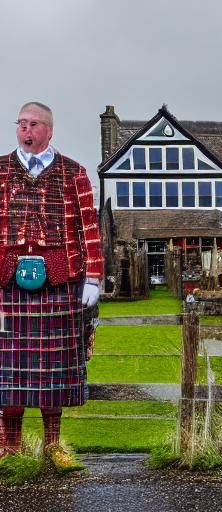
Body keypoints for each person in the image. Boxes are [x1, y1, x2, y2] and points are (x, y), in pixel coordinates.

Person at [0, 102, 103, 470]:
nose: (26, 131)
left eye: (34, 124)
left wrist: (92, 277)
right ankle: (8, 446)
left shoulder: (74, 173)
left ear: (49, 130)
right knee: (7, 374)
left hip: (59, 281)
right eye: (21, 124)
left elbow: (89, 229)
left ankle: (54, 445)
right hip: (7, 282)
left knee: (52, 373)